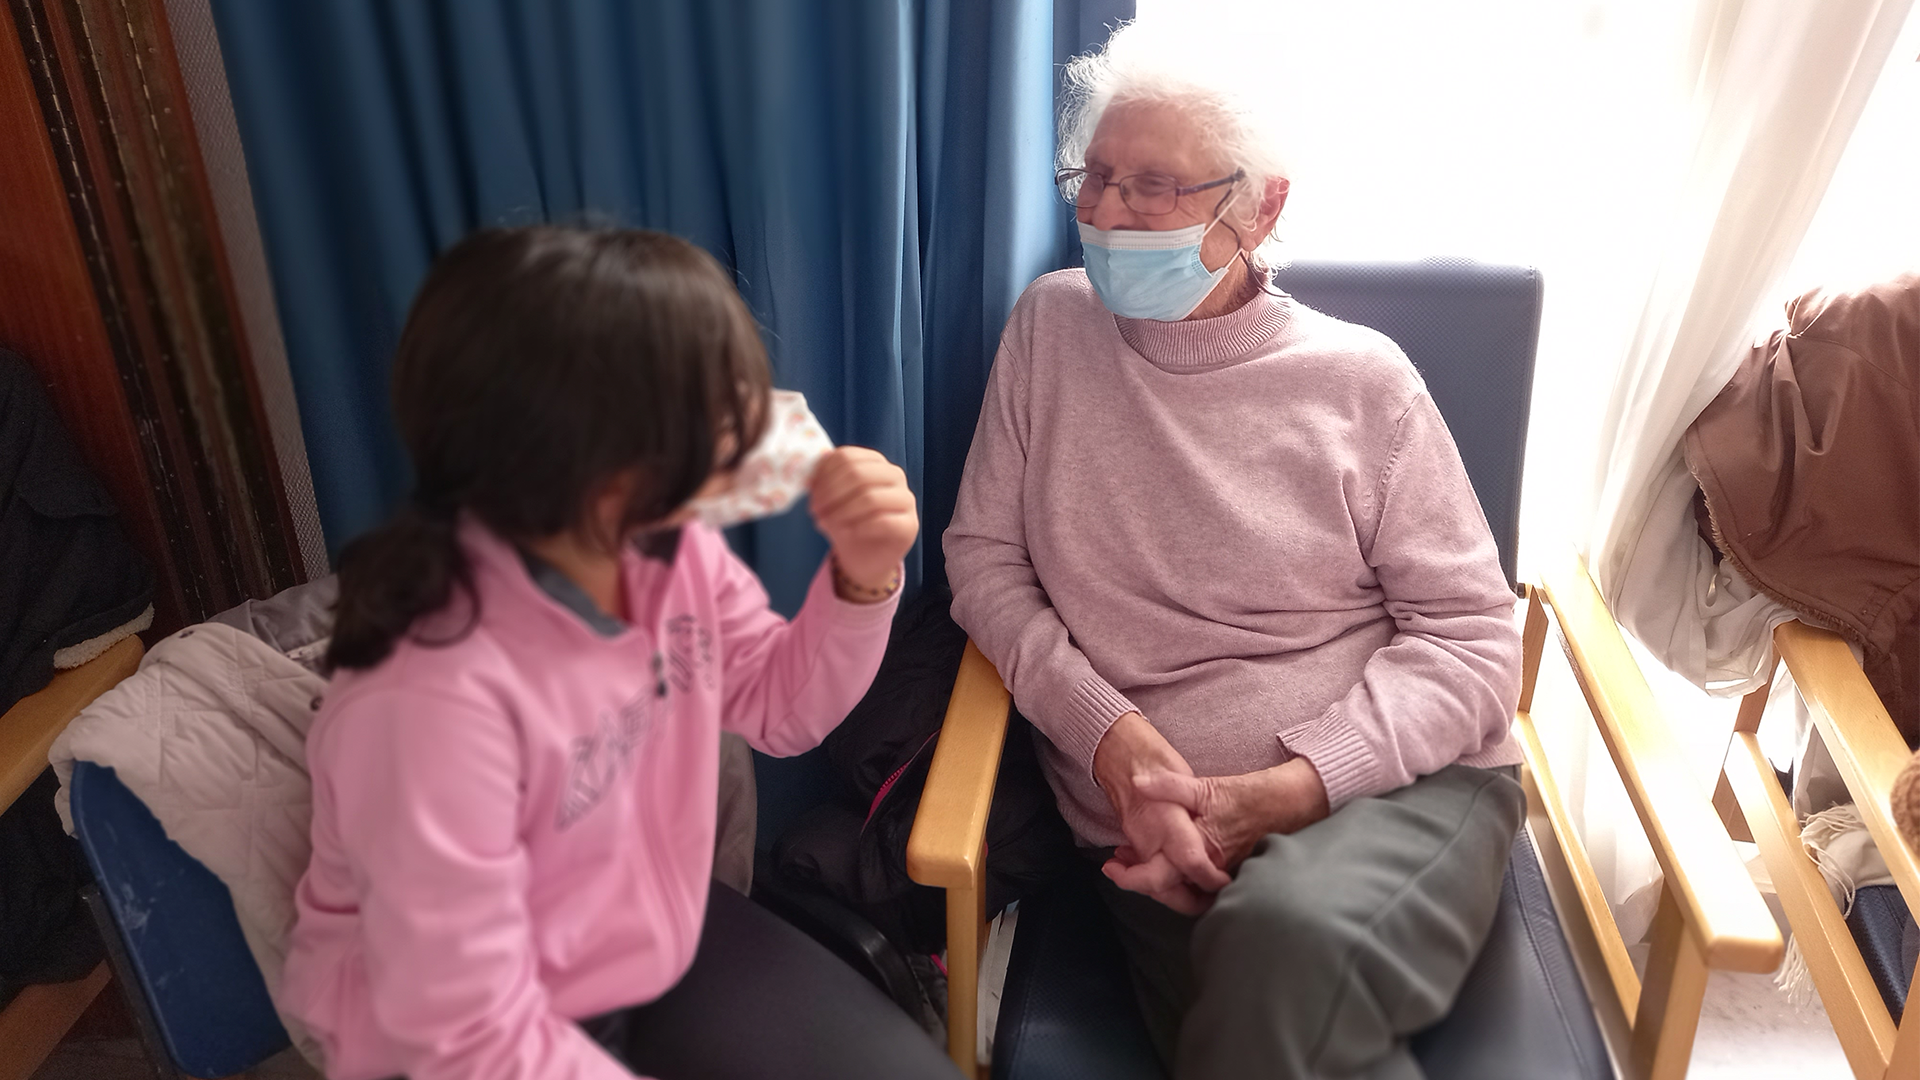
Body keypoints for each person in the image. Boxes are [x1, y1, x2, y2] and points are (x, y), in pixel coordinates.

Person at [944, 22, 1526, 1080]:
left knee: (1285, 939)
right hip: (1150, 829)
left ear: (1261, 208)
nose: (1109, 212)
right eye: (1097, 178)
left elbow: (1475, 641)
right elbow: (983, 563)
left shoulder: (1362, 382)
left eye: (1154, 186)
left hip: (1394, 793)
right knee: (1274, 1022)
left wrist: (1291, 789)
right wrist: (1114, 744)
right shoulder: (1048, 331)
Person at [280, 225, 953, 1080]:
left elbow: (781, 712)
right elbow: (464, 1032)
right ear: (579, 457)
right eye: (715, 409)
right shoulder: (426, 707)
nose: (755, 425)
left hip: (636, 952)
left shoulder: (669, 557)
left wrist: (861, 580)